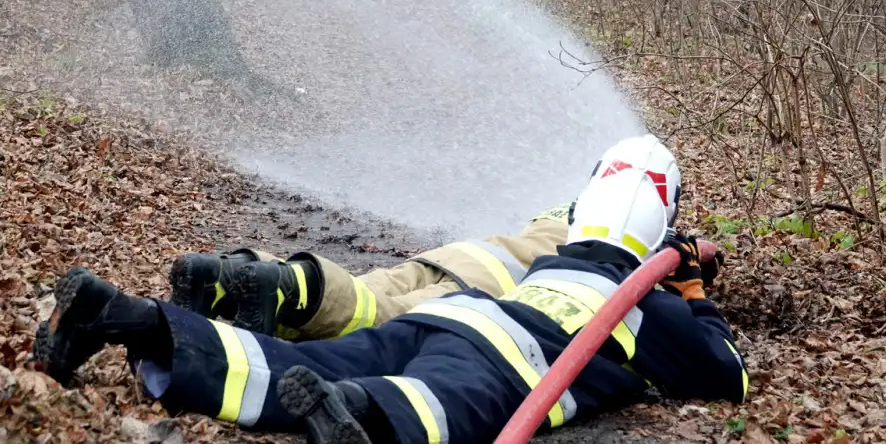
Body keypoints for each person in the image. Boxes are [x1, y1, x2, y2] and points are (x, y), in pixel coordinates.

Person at [33, 139, 746, 444]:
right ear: (660, 237)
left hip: (456, 313)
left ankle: (132, 321)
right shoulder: (649, 310)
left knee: (307, 362)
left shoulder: (545, 261)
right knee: (447, 401)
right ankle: (363, 419)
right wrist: (690, 291)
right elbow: (725, 375)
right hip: (501, 355)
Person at [166, 134, 683, 339]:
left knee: (369, 290)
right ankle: (280, 291)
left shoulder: (568, 210)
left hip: (456, 256)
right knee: (374, 316)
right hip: (484, 289)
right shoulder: (633, 241)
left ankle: (229, 277)